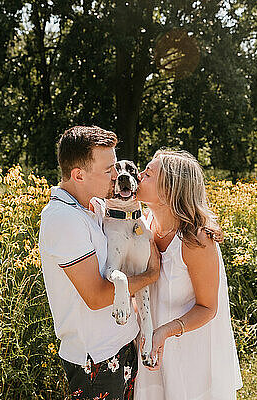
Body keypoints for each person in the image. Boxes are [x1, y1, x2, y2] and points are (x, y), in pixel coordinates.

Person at [38, 126, 161, 400]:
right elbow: (95, 296)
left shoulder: (95, 207)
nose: (116, 176)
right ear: (78, 175)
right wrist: (151, 275)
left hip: (123, 342)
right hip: (96, 357)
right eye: (108, 171)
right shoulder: (63, 219)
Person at [133, 149, 243, 400]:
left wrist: (164, 332)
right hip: (152, 349)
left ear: (169, 190)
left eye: (148, 174)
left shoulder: (197, 239)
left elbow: (207, 307)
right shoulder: (144, 224)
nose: (138, 176)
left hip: (189, 350)